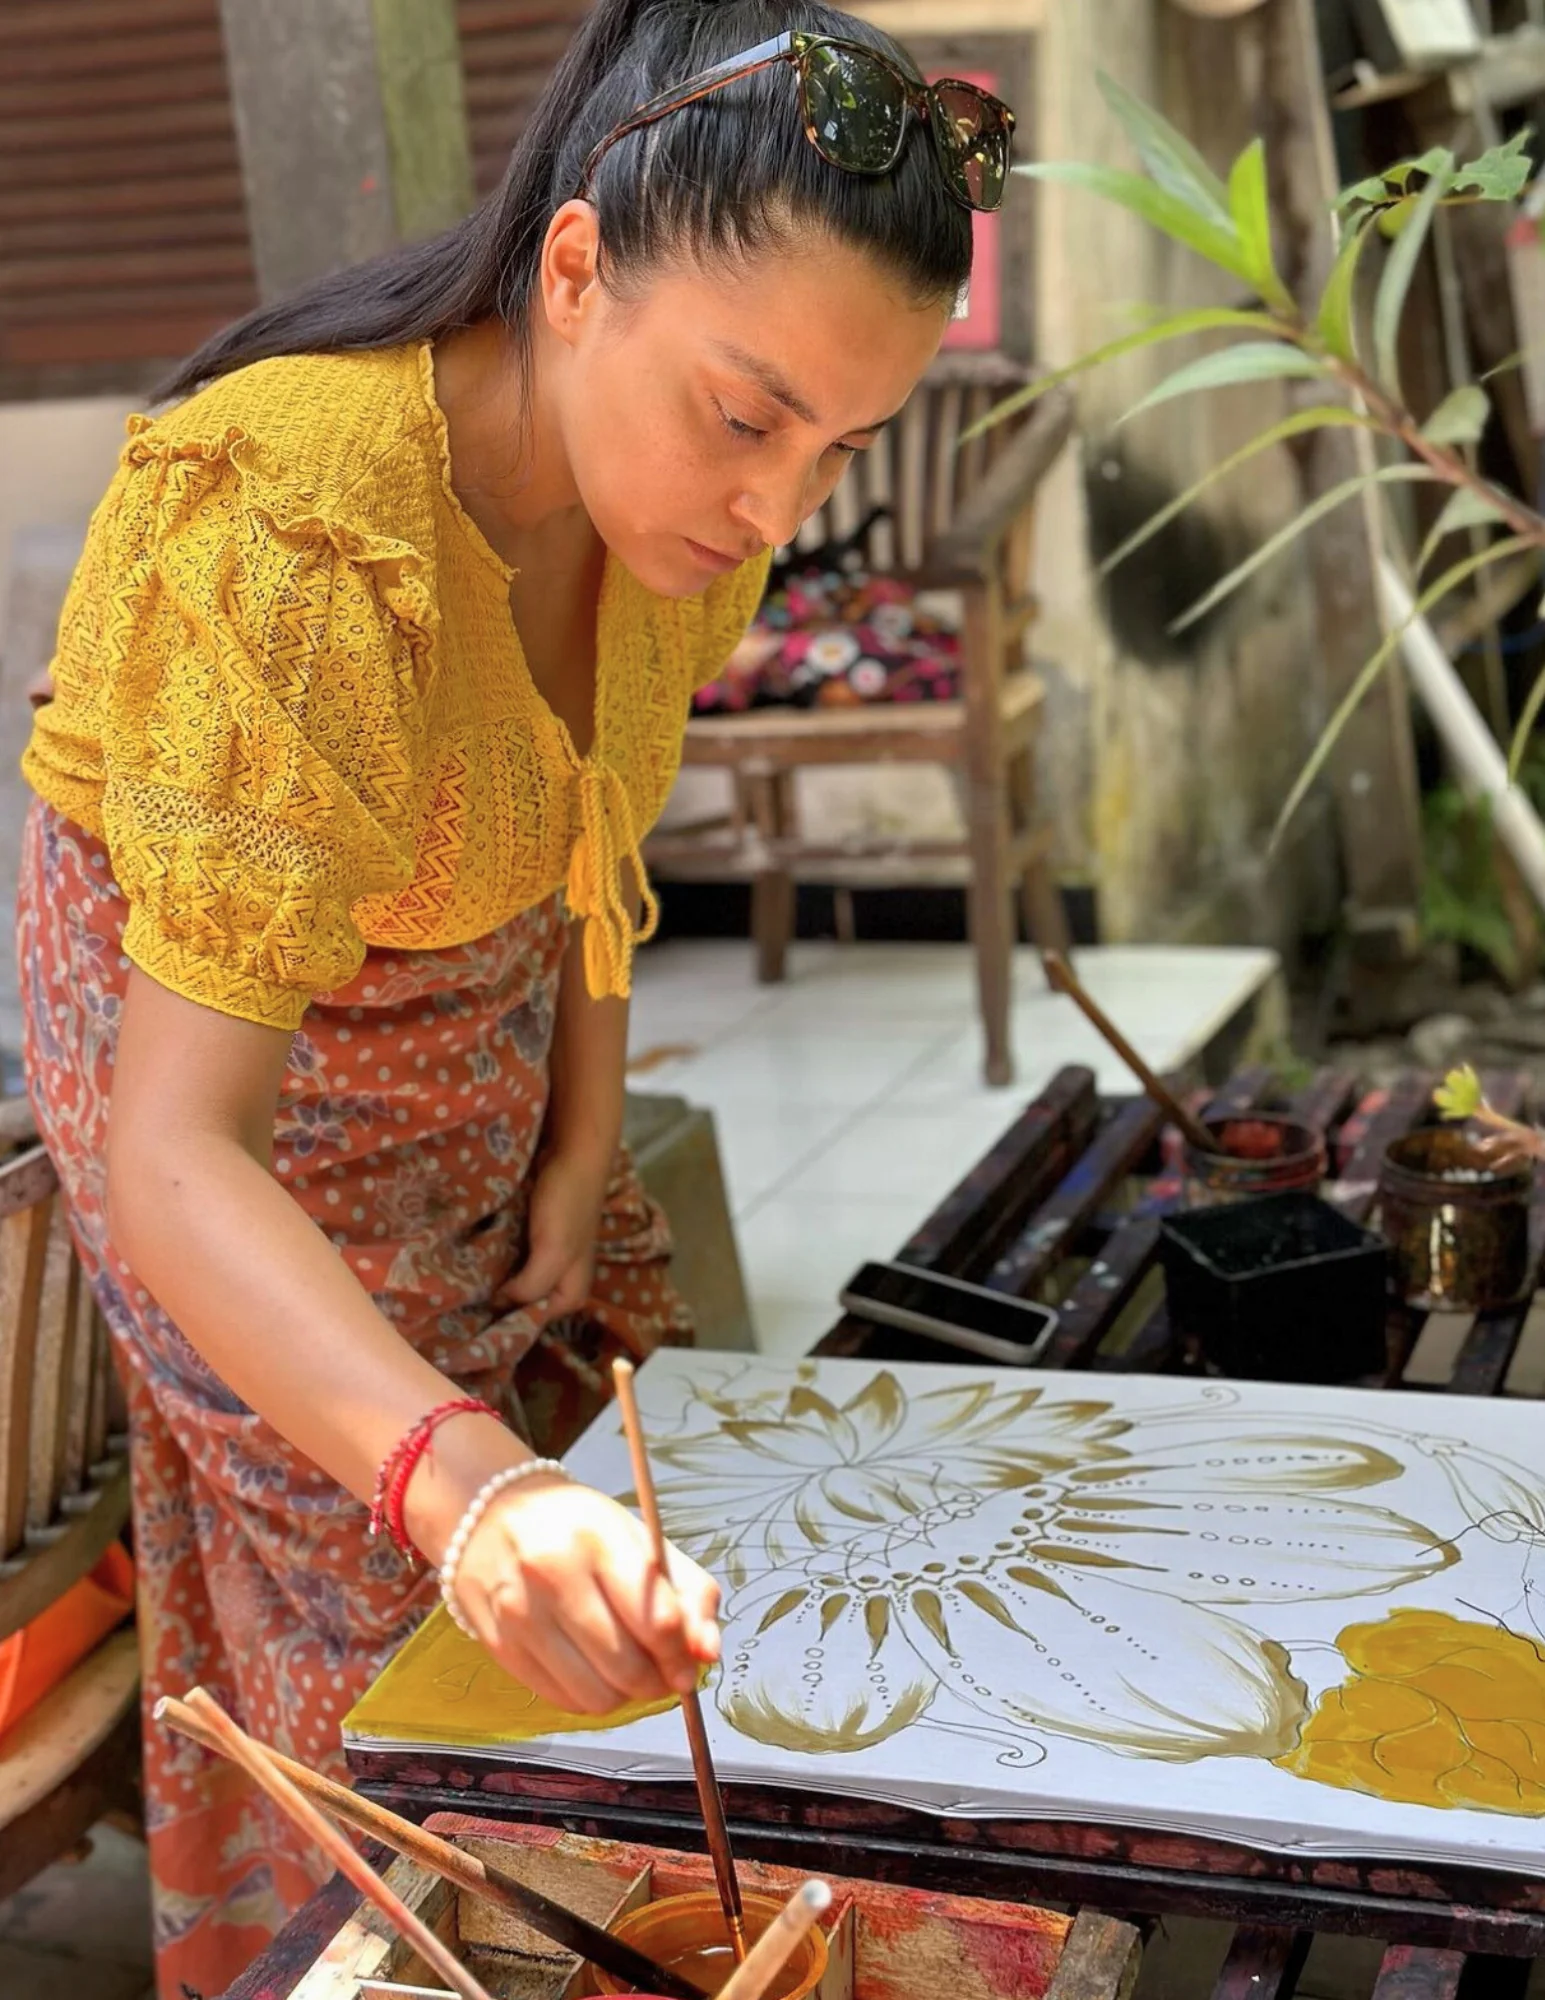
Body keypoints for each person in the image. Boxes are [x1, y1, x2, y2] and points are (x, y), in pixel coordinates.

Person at [19, 1, 1007, 1990]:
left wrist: (580, 1128)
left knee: (624, 1452)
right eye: (747, 416)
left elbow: (586, 831)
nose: (775, 512)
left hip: (470, 999)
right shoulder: (297, 534)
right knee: (392, 1601)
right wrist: (453, 1485)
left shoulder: (681, 518)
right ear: (574, 268)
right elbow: (176, 1150)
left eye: (840, 445)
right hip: (215, 1054)